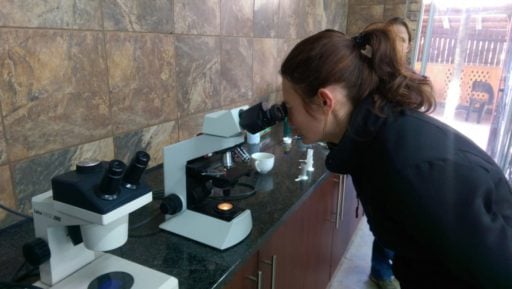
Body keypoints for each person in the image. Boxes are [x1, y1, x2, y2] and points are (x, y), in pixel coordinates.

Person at [279, 28, 512, 289]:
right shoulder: (371, 138)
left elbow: (499, 272)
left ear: (325, 101)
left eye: (289, 108)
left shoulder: (410, 168)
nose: (289, 121)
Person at [364, 17, 414, 289]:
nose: (397, 44)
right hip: (376, 161)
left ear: (408, 47)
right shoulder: (368, 77)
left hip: (403, 158)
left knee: (398, 220)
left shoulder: (415, 81)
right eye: (392, 38)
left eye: (403, 39)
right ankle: (381, 272)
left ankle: (383, 269)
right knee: (384, 221)